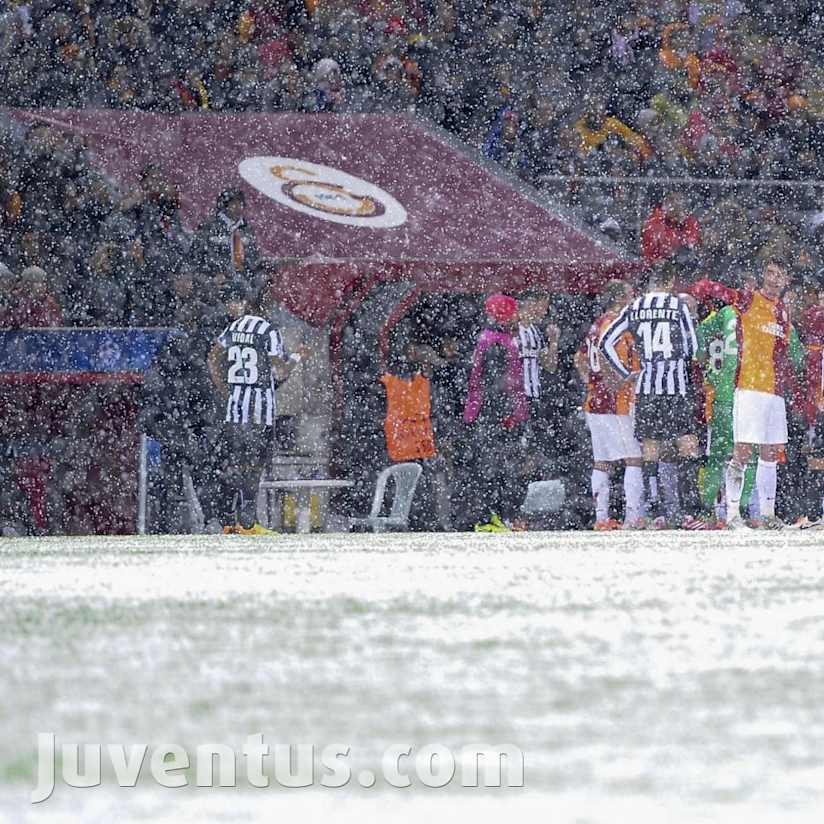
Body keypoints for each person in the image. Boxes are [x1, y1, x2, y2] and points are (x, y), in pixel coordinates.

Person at [690, 257, 811, 529]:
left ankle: (767, 514)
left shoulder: (783, 312)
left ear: (786, 281)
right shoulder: (746, 301)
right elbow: (713, 289)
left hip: (775, 394)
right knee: (741, 452)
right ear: (762, 277)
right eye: (769, 273)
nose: (773, 279)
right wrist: (704, 286)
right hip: (748, 389)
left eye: (779, 275)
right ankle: (733, 515)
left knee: (770, 454)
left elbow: (793, 356)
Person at [599, 259, 708, 529]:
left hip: (647, 387)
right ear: (670, 281)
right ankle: (688, 512)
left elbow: (605, 342)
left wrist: (625, 373)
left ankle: (656, 511)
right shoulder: (677, 305)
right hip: (675, 386)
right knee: (687, 443)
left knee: (650, 448)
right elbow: (694, 346)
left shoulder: (635, 306)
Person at [207, 283, 301, 534]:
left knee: (233, 464)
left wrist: (223, 386)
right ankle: (249, 522)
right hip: (259, 410)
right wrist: (297, 358)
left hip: (235, 407)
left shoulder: (234, 327)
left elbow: (213, 355)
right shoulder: (267, 330)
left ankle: (228, 521)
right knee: (254, 465)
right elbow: (279, 369)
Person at [575, 280, 644, 530]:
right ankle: (632, 518)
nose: (633, 297)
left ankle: (601, 518)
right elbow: (606, 354)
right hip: (617, 403)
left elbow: (580, 359)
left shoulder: (595, 325)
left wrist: (592, 383)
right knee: (633, 459)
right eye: (630, 293)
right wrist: (617, 382)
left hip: (594, 402)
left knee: (602, 461)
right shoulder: (616, 324)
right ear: (621, 298)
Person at [462, 293, 529, 532]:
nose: (519, 317)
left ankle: (492, 516)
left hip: (487, 414)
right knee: (495, 470)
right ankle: (491, 516)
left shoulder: (489, 338)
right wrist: (507, 415)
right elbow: (495, 384)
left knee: (491, 469)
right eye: (514, 312)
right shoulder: (497, 343)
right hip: (494, 416)